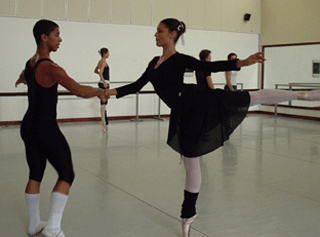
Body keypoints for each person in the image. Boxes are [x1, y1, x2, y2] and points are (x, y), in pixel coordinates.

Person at [106, 18, 320, 237]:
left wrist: (243, 63)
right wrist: (109, 92)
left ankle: (304, 95)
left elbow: (209, 66)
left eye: (159, 31)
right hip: (184, 113)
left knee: (251, 97)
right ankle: (188, 214)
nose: (155, 34)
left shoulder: (180, 60)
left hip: (199, 102)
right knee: (191, 162)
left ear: (172, 34)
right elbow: (137, 85)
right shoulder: (154, 62)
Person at [15, 19, 109, 237]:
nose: (60, 39)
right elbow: (78, 90)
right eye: (56, 34)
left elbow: (24, 76)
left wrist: (21, 80)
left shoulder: (31, 62)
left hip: (27, 125)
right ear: (44, 38)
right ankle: (53, 228)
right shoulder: (50, 67)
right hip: (45, 127)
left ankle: (34, 224)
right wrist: (100, 91)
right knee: (67, 174)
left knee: (35, 173)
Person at [94, 47, 110, 132]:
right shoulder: (103, 62)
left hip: (101, 82)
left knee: (103, 103)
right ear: (105, 54)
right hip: (104, 84)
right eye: (108, 53)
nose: (109, 54)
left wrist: (101, 78)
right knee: (104, 104)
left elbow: (95, 71)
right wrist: (104, 81)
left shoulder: (100, 62)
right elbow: (100, 72)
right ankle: (103, 122)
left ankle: (104, 122)